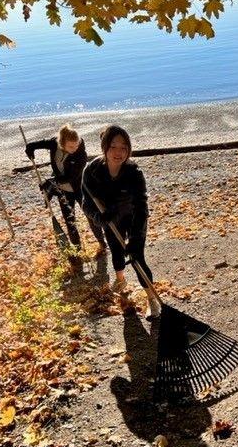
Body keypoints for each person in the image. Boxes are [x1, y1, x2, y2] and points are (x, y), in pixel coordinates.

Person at [81, 125, 161, 320]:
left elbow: (141, 206)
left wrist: (135, 237)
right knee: (116, 252)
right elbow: (86, 203)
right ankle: (121, 280)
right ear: (104, 147)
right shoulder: (91, 171)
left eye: (124, 147)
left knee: (137, 258)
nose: (119, 152)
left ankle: (152, 299)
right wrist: (98, 218)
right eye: (113, 147)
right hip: (110, 220)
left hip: (134, 219)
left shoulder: (134, 172)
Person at [25, 124, 106, 254]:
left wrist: (51, 182)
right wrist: (30, 148)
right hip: (64, 190)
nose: (75, 148)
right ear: (62, 143)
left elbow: (71, 177)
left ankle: (102, 243)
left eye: (76, 145)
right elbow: (35, 144)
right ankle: (77, 249)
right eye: (71, 146)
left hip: (81, 188)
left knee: (91, 216)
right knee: (69, 219)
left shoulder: (80, 154)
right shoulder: (54, 143)